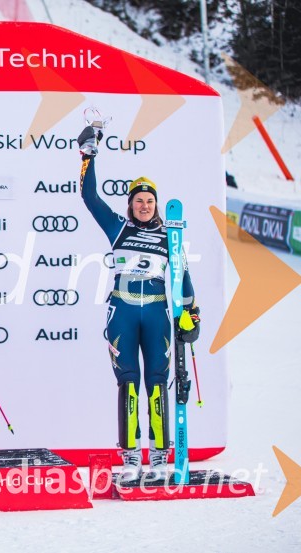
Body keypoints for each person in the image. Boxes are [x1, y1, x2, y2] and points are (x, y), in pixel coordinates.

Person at [77, 125, 201, 481]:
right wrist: (88, 156)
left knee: (157, 383)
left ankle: (160, 456)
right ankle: (132, 458)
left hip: (159, 315)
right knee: (129, 382)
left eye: (149, 201)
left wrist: (192, 315)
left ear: (156, 204)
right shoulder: (118, 228)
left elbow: (184, 279)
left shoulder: (169, 236)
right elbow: (89, 197)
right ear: (130, 204)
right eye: (138, 200)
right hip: (124, 313)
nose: (144, 205)